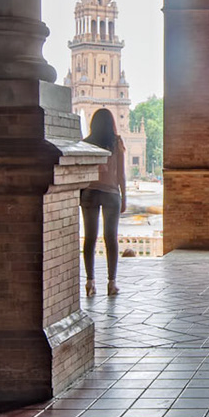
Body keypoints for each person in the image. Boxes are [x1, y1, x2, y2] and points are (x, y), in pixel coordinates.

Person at [80, 108, 126, 297]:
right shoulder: (116, 143)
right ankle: (111, 283)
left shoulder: (86, 143)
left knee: (90, 238)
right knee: (110, 238)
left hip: (90, 192)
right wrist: (124, 196)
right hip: (111, 194)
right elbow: (121, 174)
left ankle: (90, 282)